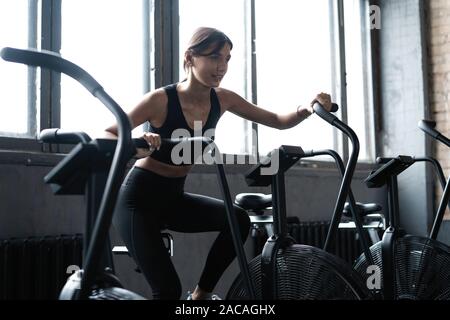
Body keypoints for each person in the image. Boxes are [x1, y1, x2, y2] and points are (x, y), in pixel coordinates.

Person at [105, 27, 333, 300]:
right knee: (167, 291)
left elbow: (277, 120)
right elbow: (110, 132)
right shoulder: (161, 99)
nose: (222, 66)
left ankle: (201, 295)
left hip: (173, 198)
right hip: (137, 200)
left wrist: (308, 108)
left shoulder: (223, 99)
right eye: (214, 57)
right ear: (191, 57)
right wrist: (138, 141)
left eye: (226, 58)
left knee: (237, 220)